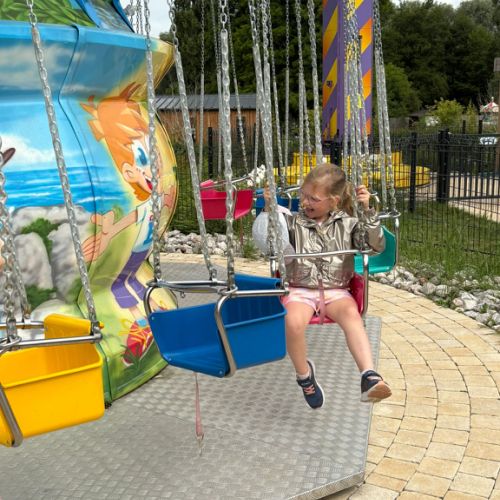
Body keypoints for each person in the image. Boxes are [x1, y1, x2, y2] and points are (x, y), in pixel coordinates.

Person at [252, 163, 391, 409]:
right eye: (303, 195)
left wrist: (367, 211)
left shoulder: (349, 224)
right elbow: (271, 244)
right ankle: (304, 376)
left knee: (352, 317)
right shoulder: (292, 222)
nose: (305, 202)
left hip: (336, 289)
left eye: (313, 198)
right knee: (291, 322)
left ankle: (369, 376)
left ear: (333, 201)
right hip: (300, 288)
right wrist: (269, 209)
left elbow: (373, 247)